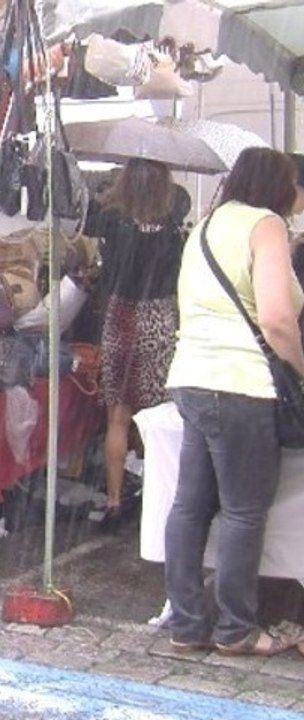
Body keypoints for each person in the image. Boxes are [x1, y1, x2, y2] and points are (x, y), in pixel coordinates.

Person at [164, 147, 304, 657]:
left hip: (191, 378)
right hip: (242, 383)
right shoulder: (267, 226)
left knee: (190, 507)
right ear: (278, 186)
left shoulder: (207, 224)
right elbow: (277, 320)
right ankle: (237, 629)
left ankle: (186, 623)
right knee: (245, 512)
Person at [83, 158, 188, 533]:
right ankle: (162, 500)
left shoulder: (111, 220)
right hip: (158, 316)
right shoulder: (174, 223)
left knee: (118, 417)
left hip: (120, 315)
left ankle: (113, 501)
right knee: (160, 417)